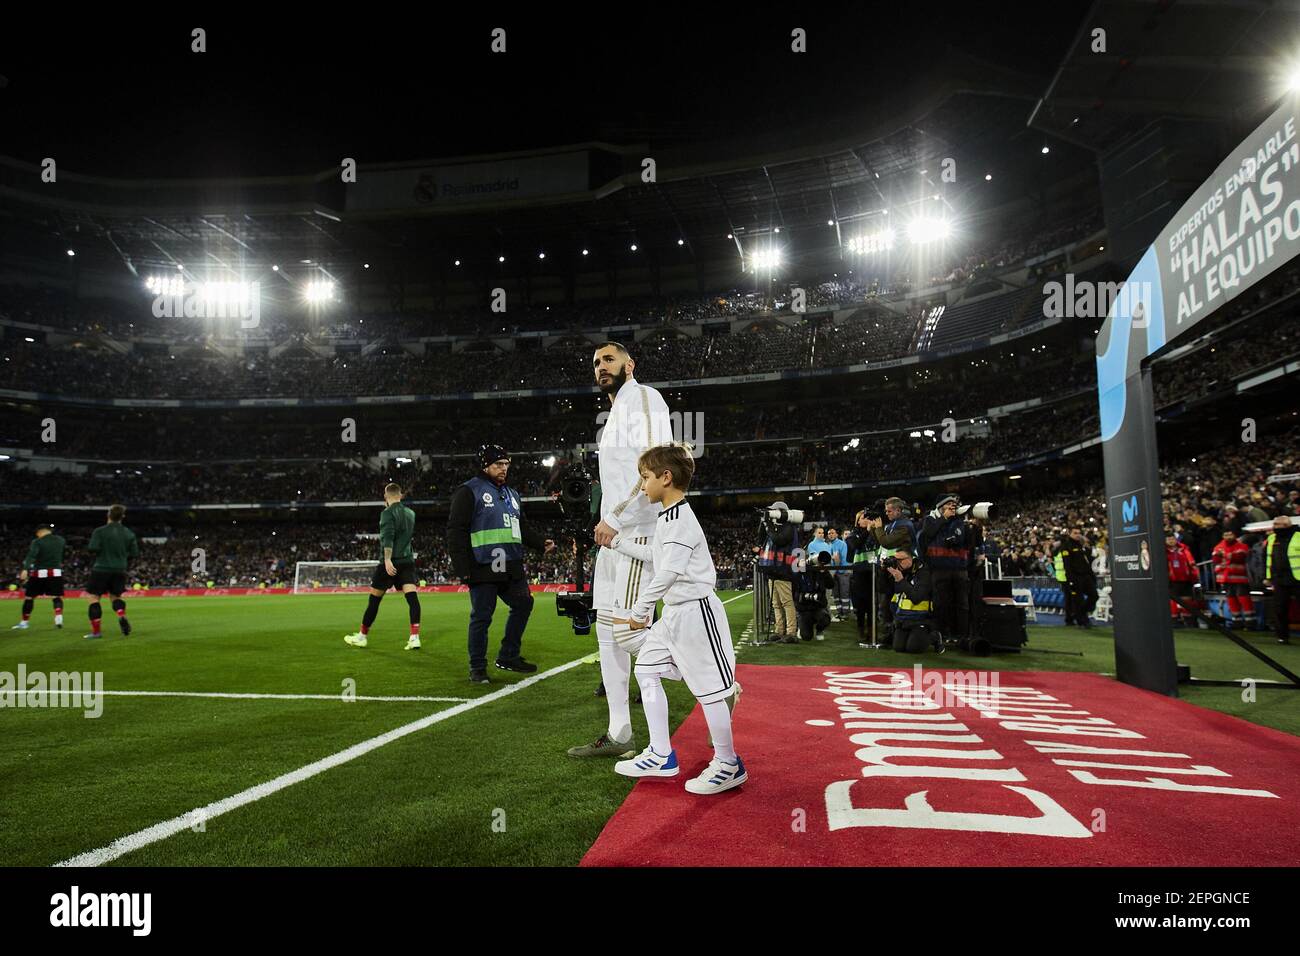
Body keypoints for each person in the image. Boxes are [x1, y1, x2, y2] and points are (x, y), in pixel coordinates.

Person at [613, 443, 746, 795]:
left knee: (709, 692)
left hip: (695, 612)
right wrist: (618, 544)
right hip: (675, 613)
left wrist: (640, 611)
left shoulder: (681, 518)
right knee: (646, 668)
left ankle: (728, 763)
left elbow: (669, 572)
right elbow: (658, 558)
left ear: (666, 477)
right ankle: (660, 754)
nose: (642, 486)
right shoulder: (669, 516)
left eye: (645, 478)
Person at [569, 342, 672, 757]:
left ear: (630, 364)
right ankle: (620, 733)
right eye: (595, 362)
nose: (600, 367)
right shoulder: (613, 416)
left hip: (637, 538)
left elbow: (657, 463)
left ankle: (712, 684)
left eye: (608, 359)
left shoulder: (643, 398)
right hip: (614, 542)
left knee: (629, 636)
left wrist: (617, 516)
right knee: (608, 636)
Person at [446, 444, 556, 683]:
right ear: (485, 465)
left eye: (506, 464)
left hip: (511, 565)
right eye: (498, 464)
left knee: (524, 604)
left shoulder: (512, 494)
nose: (504, 468)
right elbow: (456, 531)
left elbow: (521, 526)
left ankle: (508, 655)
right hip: (483, 566)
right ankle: (477, 668)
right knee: (482, 617)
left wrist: (539, 543)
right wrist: (463, 569)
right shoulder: (468, 491)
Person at [343, 483, 423, 651]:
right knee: (412, 599)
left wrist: (387, 560)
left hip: (390, 563)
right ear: (400, 495)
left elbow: (388, 537)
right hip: (407, 562)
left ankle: (362, 636)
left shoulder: (387, 513)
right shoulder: (411, 513)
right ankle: (414, 637)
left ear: (386, 497)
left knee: (374, 600)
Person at [919, 494, 970, 644]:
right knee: (941, 604)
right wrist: (943, 519)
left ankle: (962, 636)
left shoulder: (959, 522)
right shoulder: (930, 520)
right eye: (949, 506)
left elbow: (960, 539)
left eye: (954, 506)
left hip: (959, 569)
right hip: (939, 569)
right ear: (941, 508)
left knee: (962, 604)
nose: (953, 508)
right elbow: (928, 534)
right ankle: (942, 634)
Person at [83, 504, 139, 640]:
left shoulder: (99, 531)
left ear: (108, 515)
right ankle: (121, 615)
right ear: (122, 517)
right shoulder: (129, 533)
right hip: (120, 569)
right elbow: (135, 553)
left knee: (93, 598)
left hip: (101, 568)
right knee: (116, 597)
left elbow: (92, 548)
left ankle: (96, 632)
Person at [754, 500, 800, 644]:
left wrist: (769, 525)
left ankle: (791, 632)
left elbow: (779, 540)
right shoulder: (774, 527)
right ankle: (779, 630)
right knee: (776, 603)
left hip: (783, 570)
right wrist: (763, 522)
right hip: (772, 569)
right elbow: (760, 539)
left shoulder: (789, 527)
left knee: (786, 602)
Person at [12, 525, 67, 630]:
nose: (37, 535)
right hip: (55, 572)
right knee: (56, 596)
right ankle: (59, 618)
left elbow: (31, 555)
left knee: (29, 597)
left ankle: (24, 623)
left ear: (40, 531)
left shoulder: (37, 542)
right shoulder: (61, 540)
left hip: (40, 573)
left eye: (37, 533)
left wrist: (25, 569)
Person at [884, 548, 938, 653]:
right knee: (898, 648)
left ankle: (934, 637)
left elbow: (916, 598)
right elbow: (884, 590)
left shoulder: (923, 573)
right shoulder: (901, 571)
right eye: (895, 559)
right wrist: (883, 572)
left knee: (913, 648)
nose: (896, 563)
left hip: (921, 618)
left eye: (900, 560)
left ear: (910, 559)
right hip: (903, 619)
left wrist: (901, 580)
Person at [1264, 515, 1298, 645]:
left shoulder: (1298, 536)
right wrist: (1267, 577)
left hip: (1297, 578)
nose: (1276, 527)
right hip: (1279, 579)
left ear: (1287, 525)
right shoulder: (1272, 538)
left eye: (1279, 524)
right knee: (1279, 609)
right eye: (1275, 524)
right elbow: (1268, 559)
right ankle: (1282, 636)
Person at [1212, 529, 1256, 628]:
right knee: (1231, 599)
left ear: (1234, 535)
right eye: (1226, 535)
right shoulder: (1218, 546)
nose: (1228, 537)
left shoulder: (1241, 546)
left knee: (1244, 599)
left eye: (1230, 534)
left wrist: (1225, 555)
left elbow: (1240, 557)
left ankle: (1250, 622)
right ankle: (1237, 621)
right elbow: (1215, 559)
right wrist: (1229, 556)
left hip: (1239, 577)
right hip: (1225, 578)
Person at [793, 552, 832, 642]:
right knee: (806, 637)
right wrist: (799, 568)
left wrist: (824, 572)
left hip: (817, 607)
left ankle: (819, 629)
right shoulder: (798, 573)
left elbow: (830, 585)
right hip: (804, 609)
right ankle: (801, 625)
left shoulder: (818, 571)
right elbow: (794, 589)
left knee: (825, 619)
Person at [1166, 532, 1201, 627]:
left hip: (1186, 579)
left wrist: (1194, 577)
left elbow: (1191, 563)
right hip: (1172, 580)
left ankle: (1188, 619)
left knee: (1187, 599)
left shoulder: (1184, 549)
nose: (1171, 541)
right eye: (1169, 539)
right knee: (1173, 601)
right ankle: (1174, 620)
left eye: (1172, 539)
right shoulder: (1163, 551)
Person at [1066, 528, 1098, 627]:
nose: (1078, 535)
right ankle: (1083, 621)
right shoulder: (1067, 546)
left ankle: (1081, 613)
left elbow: (1088, 560)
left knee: (1094, 595)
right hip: (1075, 577)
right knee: (1078, 600)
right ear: (1069, 534)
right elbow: (1067, 565)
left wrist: (1086, 544)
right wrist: (1070, 579)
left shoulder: (1081, 545)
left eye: (1079, 533)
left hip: (1086, 576)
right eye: (1075, 533)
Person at [826, 527, 851, 621]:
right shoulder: (828, 545)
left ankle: (845, 614)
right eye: (829, 533)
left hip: (843, 572)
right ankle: (839, 612)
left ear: (837, 534)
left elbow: (844, 559)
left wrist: (840, 570)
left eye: (832, 533)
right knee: (836, 594)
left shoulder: (842, 544)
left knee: (844, 593)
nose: (831, 535)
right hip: (833, 573)